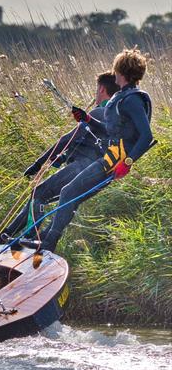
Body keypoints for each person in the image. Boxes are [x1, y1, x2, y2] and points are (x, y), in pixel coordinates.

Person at [29, 48, 154, 252]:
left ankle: (49, 242)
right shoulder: (122, 97)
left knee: (68, 191)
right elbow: (109, 130)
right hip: (111, 156)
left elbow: (146, 135)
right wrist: (87, 119)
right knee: (69, 192)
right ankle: (45, 238)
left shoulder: (132, 99)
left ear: (119, 70)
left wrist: (128, 163)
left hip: (117, 159)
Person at [0, 72, 119, 249]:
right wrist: (64, 157)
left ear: (102, 89)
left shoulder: (99, 112)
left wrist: (39, 163)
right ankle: (31, 238)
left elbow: (67, 139)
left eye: (97, 89)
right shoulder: (115, 116)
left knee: (39, 193)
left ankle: (21, 237)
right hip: (102, 173)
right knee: (69, 201)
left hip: (83, 166)